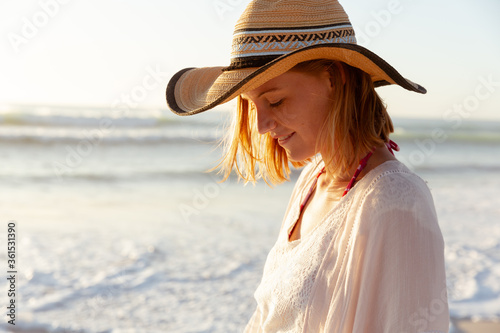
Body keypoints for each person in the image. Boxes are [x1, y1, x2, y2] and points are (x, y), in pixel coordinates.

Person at [166, 0, 449, 332]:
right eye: (251, 104)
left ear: (335, 77)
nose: (260, 126)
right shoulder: (314, 179)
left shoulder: (396, 202)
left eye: (275, 101)